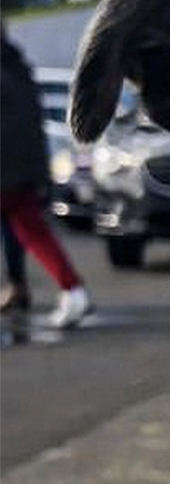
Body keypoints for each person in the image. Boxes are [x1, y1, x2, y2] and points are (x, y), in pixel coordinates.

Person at [0, 26, 92, 327]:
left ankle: (69, 290)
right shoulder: (16, 66)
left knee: (30, 231)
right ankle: (71, 288)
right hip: (25, 170)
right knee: (33, 231)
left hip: (7, 170)